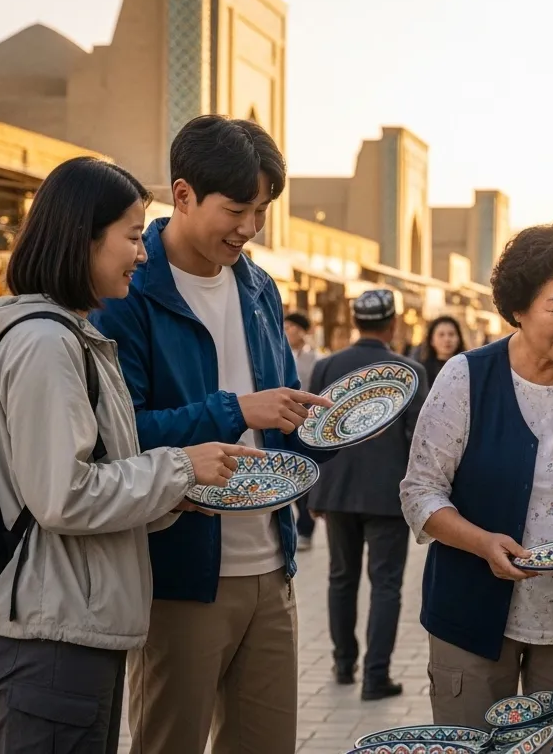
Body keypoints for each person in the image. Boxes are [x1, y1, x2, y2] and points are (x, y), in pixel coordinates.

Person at [0, 157, 260, 753]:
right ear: (84, 238)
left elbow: (96, 478)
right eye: (132, 236)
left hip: (78, 629)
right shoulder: (47, 345)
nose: (143, 253)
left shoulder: (72, 336)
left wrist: (176, 496)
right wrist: (181, 467)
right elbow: (64, 495)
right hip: (53, 638)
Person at [91, 115, 336, 754]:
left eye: (260, 212)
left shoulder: (258, 286)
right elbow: (122, 436)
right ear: (181, 195)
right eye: (236, 210)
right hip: (180, 573)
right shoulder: (128, 292)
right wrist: (236, 409)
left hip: (271, 564)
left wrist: (330, 426)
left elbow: (282, 413)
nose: (249, 229)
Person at [401, 222, 553, 728]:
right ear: (518, 308)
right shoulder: (466, 377)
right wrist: (481, 543)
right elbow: (420, 492)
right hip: (471, 615)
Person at [307, 290, 429, 701]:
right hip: (388, 495)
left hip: (337, 491)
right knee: (386, 584)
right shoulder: (409, 371)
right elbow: (419, 442)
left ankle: (343, 664)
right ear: (392, 323)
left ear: (356, 322)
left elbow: (312, 433)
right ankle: (376, 676)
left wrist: (315, 492)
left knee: (341, 578)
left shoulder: (326, 367)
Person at [284, 311, 319, 550]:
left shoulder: (315, 359)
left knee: (306, 475)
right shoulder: (277, 352)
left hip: (307, 421)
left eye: (292, 327)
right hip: (282, 420)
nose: (287, 331)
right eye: (285, 326)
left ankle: (305, 529)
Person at [420, 315, 466, 385]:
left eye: (451, 334)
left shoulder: (467, 367)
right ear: (431, 340)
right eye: (441, 335)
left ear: (459, 339)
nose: (447, 339)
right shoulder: (423, 371)